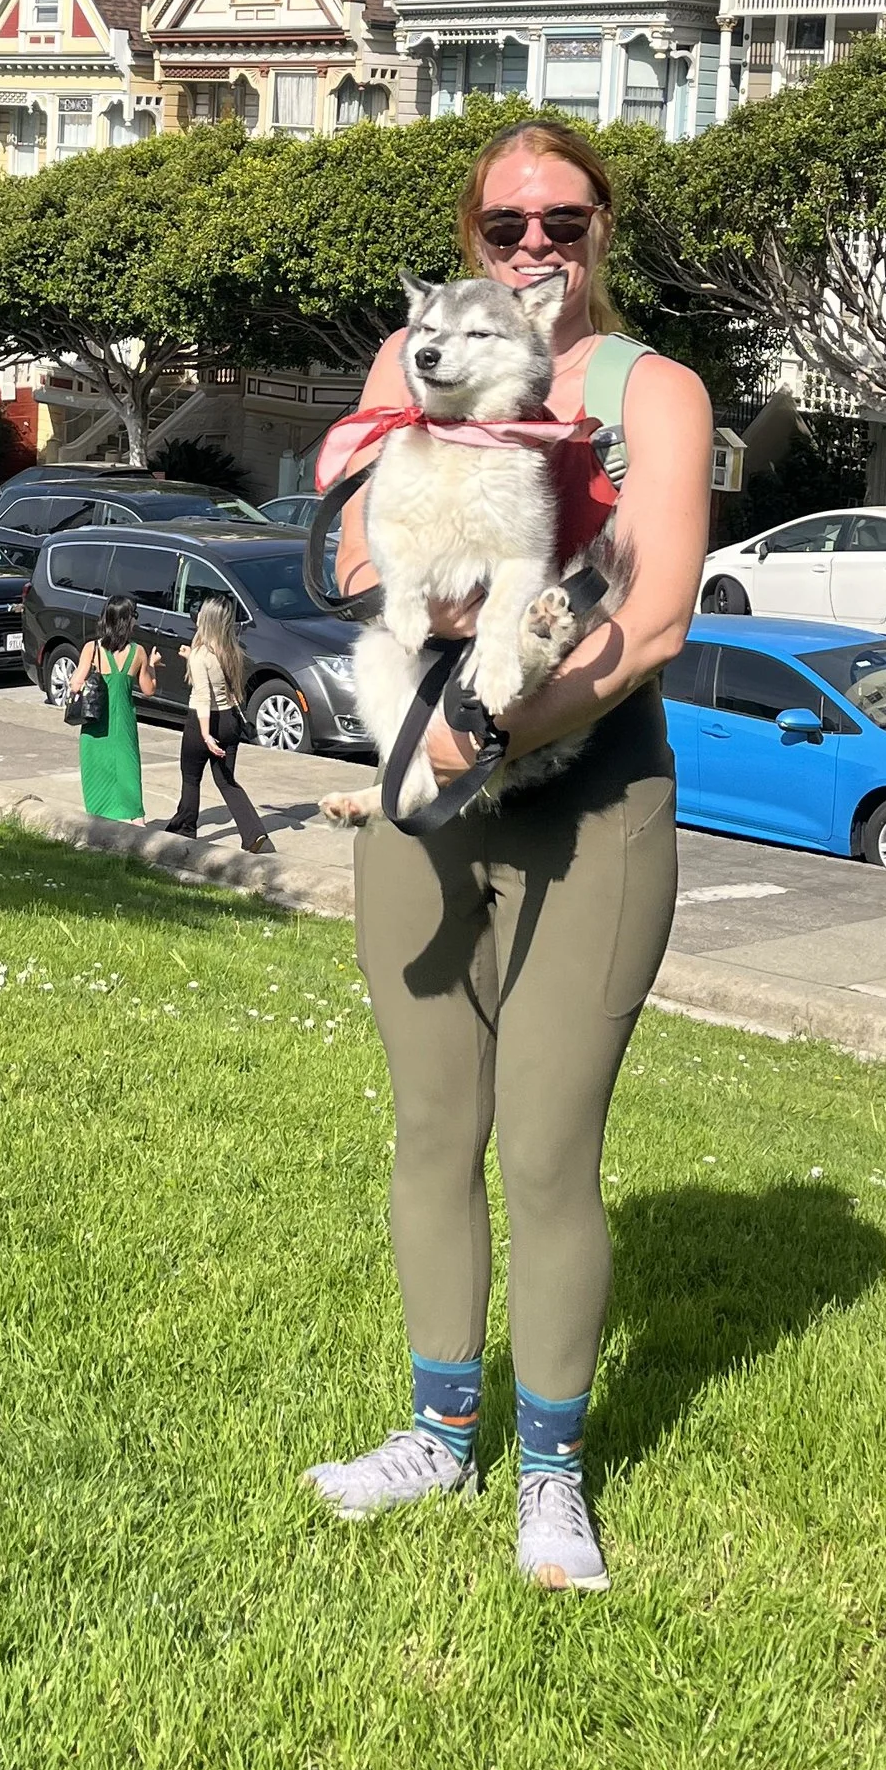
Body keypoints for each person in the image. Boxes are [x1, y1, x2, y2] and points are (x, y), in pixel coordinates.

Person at [302, 119, 711, 1593]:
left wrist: (493, 729)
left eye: (564, 221)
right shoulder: (409, 361)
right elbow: (357, 552)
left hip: (587, 799)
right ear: (473, 240)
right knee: (431, 1127)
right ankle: (438, 1436)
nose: (535, 245)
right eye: (505, 226)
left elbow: (652, 620)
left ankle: (551, 1473)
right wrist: (423, 661)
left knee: (544, 1151)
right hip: (423, 783)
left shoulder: (652, 391)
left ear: (603, 229)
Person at [164, 594, 272, 854]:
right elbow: (220, 682)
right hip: (230, 720)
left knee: (191, 777)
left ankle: (185, 828)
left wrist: (206, 735)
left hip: (204, 721)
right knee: (226, 781)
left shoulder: (201, 654)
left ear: (207, 619)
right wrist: (191, 657)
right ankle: (254, 834)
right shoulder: (231, 650)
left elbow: (203, 696)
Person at [74, 592, 158, 821]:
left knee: (96, 771)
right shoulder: (138, 652)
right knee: (128, 769)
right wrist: (151, 665)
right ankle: (135, 817)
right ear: (127, 621)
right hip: (123, 723)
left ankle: (98, 819)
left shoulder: (92, 648)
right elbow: (149, 689)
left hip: (95, 722)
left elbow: (75, 684)